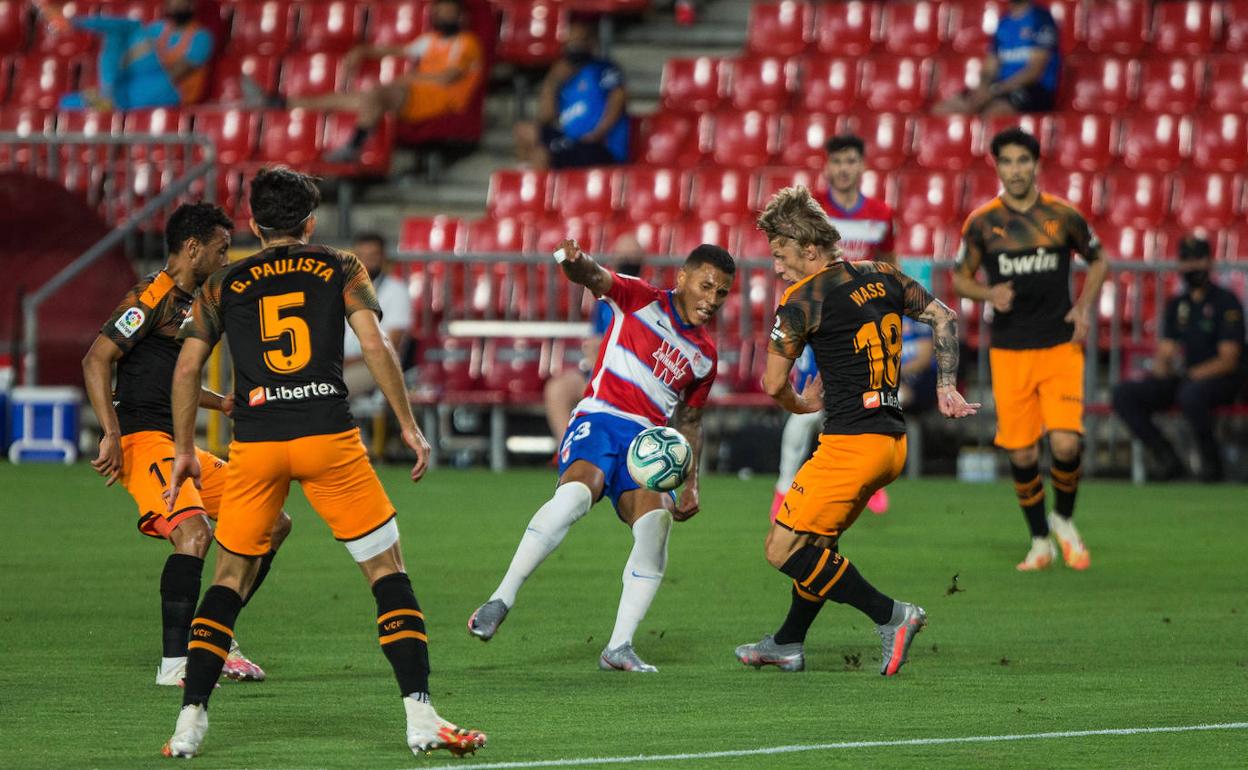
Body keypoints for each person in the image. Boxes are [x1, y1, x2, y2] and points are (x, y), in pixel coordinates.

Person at [160, 168, 485, 759]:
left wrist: (184, 451)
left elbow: (185, 371)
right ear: (310, 223)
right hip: (328, 436)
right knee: (387, 570)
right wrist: (409, 427)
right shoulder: (340, 266)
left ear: (254, 224)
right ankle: (419, 714)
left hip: (256, 445)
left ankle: (189, 721)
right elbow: (376, 345)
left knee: (229, 579)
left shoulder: (223, 282)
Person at [736, 186, 977, 675]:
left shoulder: (802, 298)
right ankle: (787, 642)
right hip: (892, 444)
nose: (777, 268)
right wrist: (946, 386)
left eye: (780, 256)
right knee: (820, 545)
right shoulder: (881, 274)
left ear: (808, 249)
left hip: (849, 444)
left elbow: (772, 382)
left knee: (781, 549)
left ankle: (893, 616)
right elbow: (944, 316)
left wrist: (798, 403)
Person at [468, 239, 735, 673]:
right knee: (575, 497)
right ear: (683, 277)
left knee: (656, 524)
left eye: (721, 293)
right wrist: (570, 261)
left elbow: (689, 422)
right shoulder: (639, 298)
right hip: (601, 418)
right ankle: (502, 597)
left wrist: (691, 483)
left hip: (647, 444)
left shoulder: (704, 355)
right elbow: (595, 276)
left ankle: (619, 647)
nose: (711, 300)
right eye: (705, 286)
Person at [82, 203, 283, 688]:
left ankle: (214, 634)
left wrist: (222, 403)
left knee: (272, 523)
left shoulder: (198, 300)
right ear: (192, 248)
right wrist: (111, 432)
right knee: (193, 534)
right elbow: (96, 359)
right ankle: (175, 665)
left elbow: (173, 376)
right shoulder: (152, 295)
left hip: (177, 444)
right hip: (144, 442)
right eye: (218, 249)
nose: (222, 256)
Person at [953, 127, 1107, 572]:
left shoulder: (1062, 216)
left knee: (1065, 442)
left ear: (1037, 164)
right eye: (1008, 162)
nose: (1016, 169)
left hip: (1059, 345)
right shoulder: (982, 223)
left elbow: (1099, 259)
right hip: (1010, 349)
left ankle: (1064, 519)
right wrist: (987, 294)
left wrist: (1083, 308)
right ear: (997, 167)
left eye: (1024, 160)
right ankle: (1040, 540)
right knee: (1021, 453)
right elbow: (962, 277)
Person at [770, 134, 898, 519]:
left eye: (851, 161)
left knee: (867, 403)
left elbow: (890, 266)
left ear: (862, 166)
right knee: (807, 411)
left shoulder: (881, 214)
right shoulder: (813, 212)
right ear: (827, 166)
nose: (844, 169)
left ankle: (867, 482)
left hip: (862, 323)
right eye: (837, 162)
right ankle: (783, 491)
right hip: (821, 324)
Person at [246, 0, 484, 163]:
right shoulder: (430, 39)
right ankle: (280, 102)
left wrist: (412, 77)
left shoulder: (467, 43)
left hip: (440, 100)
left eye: (448, 11)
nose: (442, 16)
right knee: (352, 99)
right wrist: (363, 51)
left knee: (378, 93)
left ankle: (354, 144)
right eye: (440, 11)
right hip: (414, 93)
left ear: (461, 16)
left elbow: (448, 77)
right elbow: (397, 50)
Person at [1112, 237, 1245, 482]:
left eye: (1198, 260)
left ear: (1209, 263)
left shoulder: (1226, 302)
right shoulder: (1177, 305)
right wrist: (1162, 365)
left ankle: (1211, 464)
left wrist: (1189, 376)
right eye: (1186, 261)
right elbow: (1167, 350)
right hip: (1186, 379)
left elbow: (1229, 360)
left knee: (1191, 395)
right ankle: (1167, 458)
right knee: (1124, 395)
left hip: (1222, 380)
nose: (1192, 267)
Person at [542, 233, 644, 441]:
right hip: (598, 372)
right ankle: (568, 451)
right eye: (623, 256)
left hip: (631, 379)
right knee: (558, 389)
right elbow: (596, 338)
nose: (627, 261)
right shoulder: (604, 300)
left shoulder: (647, 298)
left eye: (632, 256)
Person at [39, 0, 213, 111]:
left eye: (182, 2)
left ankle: (109, 98)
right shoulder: (157, 28)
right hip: (135, 84)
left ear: (192, 5)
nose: (177, 6)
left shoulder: (201, 37)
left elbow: (177, 72)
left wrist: (144, 57)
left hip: (171, 90)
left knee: (129, 31)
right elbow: (132, 59)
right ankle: (74, 22)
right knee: (68, 103)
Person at [513, 19, 629, 170]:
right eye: (571, 42)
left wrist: (599, 133)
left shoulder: (603, 68)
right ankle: (526, 186)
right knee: (523, 131)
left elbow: (619, 97)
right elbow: (546, 118)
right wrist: (552, 82)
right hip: (572, 140)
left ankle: (532, 191)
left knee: (542, 154)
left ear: (591, 42)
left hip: (600, 145)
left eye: (579, 41)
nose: (575, 47)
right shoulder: (563, 74)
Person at [934, 0, 1060, 116]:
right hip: (999, 88)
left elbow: (1034, 71)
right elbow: (991, 65)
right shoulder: (1004, 22)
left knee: (993, 114)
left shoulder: (1041, 19)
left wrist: (995, 90)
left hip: (1033, 89)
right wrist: (983, 88)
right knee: (943, 110)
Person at [342, 232, 412, 399]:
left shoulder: (396, 291)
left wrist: (347, 361)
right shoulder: (340, 288)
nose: (365, 262)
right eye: (360, 256)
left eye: (372, 256)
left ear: (383, 258)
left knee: (329, 390)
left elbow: (390, 347)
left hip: (375, 366)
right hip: (339, 362)